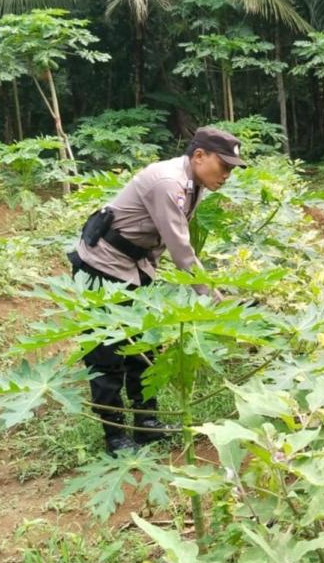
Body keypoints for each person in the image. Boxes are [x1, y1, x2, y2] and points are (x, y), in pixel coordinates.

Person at [68, 126, 247, 456]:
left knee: (145, 345)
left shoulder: (194, 184)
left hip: (135, 267)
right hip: (102, 266)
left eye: (231, 169)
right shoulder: (168, 182)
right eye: (224, 166)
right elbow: (182, 252)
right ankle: (115, 435)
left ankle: (146, 422)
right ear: (199, 156)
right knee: (107, 353)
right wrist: (215, 301)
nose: (227, 175)